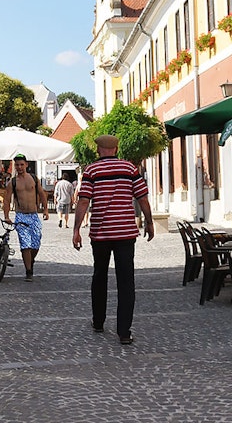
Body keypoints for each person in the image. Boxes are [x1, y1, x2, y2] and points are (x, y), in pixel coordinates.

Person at [73, 134, 153, 345]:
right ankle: (124, 332)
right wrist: (150, 222)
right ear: (116, 149)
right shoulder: (129, 169)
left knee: (99, 276)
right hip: (126, 233)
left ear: (98, 150)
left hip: (100, 233)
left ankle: (98, 321)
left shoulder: (91, 171)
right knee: (126, 281)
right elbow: (142, 197)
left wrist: (76, 229)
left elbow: (83, 202)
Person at [2, 153, 48, 281]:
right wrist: (6, 216)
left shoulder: (33, 178)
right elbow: (6, 200)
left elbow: (42, 194)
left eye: (22, 164)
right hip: (21, 215)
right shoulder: (13, 182)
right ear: (14, 166)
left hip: (33, 215)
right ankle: (28, 271)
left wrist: (45, 210)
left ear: (26, 165)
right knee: (25, 244)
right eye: (17, 165)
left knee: (36, 243)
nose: (20, 167)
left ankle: (30, 261)